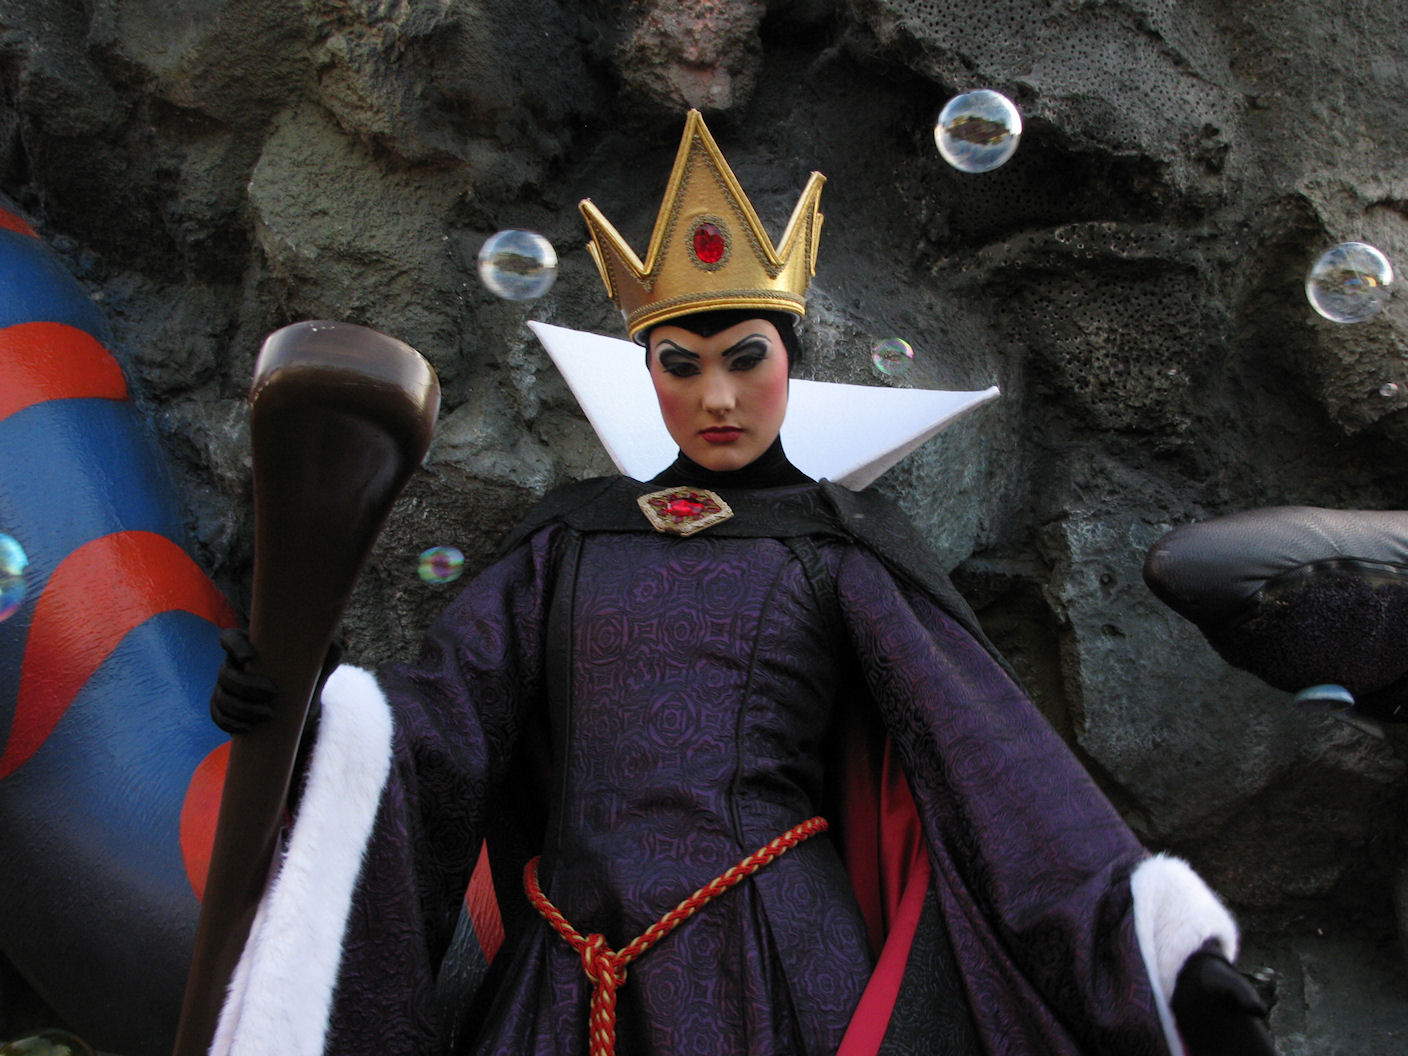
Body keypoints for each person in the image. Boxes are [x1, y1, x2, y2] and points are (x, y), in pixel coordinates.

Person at [209, 111, 1274, 1056]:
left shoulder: (836, 545)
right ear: (648, 371)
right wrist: (309, 705)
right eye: (680, 363)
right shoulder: (569, 538)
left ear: (789, 359)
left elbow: (993, 763)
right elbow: (439, 729)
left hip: (776, 974)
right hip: (568, 974)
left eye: (745, 357)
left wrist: (1159, 957)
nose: (716, 396)